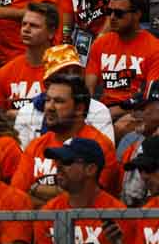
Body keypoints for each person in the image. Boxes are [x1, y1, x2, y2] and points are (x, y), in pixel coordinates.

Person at [13, 74, 121, 207]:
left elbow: (84, 198)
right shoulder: (37, 145)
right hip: (42, 225)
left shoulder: (100, 145)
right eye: (48, 100)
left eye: (58, 101)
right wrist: (57, 196)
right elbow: (17, 197)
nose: (49, 107)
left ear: (79, 109)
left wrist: (35, 189)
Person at [33, 137, 134, 244]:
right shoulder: (48, 212)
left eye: (67, 161)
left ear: (90, 169)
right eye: (57, 161)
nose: (58, 166)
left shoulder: (118, 213)